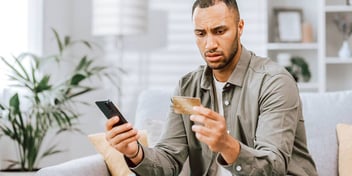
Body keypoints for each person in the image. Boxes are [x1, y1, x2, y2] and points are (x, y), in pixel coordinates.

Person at [105, 0, 318, 175]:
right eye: (201, 34)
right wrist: (135, 153)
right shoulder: (187, 89)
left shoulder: (274, 82)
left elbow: (274, 167)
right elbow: (169, 160)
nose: (210, 45)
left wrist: (227, 145)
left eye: (219, 31)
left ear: (240, 27)